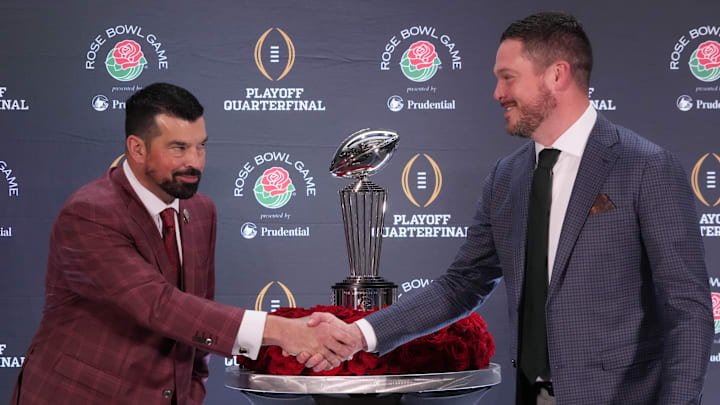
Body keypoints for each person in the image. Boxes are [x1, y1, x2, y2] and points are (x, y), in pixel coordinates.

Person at [301, 11, 714, 405]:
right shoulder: (507, 176)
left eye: (508, 78)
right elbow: (461, 285)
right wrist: (361, 333)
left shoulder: (645, 166)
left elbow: (688, 308)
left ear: (556, 75)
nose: (498, 93)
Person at [10, 83, 352, 405]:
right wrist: (281, 331)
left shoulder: (200, 211)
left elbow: (197, 315)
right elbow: (159, 306)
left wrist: (191, 392)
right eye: (178, 148)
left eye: (200, 145)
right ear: (137, 148)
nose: (195, 162)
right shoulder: (89, 214)